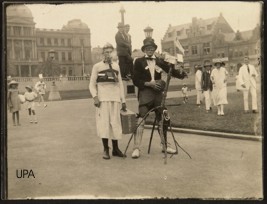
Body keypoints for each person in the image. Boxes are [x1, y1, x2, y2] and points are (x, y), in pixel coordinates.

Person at [131, 38, 187, 159]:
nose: (150, 50)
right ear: (144, 49)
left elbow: (171, 71)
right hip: (146, 92)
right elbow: (135, 80)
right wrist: (148, 84)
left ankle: (165, 145)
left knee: (163, 117)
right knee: (141, 118)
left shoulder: (160, 61)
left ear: (155, 49)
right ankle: (136, 148)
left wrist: (182, 73)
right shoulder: (139, 61)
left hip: (158, 94)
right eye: (147, 48)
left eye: (152, 48)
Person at [89, 43, 127, 160]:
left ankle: (116, 149)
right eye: (106, 52)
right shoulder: (97, 66)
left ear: (113, 53)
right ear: (103, 53)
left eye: (110, 52)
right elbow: (91, 84)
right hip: (103, 100)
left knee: (115, 123)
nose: (108, 54)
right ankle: (106, 149)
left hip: (115, 99)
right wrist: (95, 97)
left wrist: (123, 100)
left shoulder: (116, 66)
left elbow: (120, 83)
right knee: (104, 124)